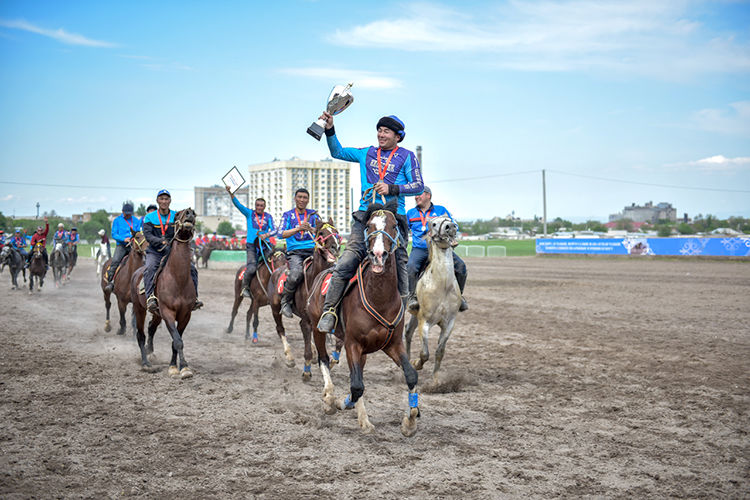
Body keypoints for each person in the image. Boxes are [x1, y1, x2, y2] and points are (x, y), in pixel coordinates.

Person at [316, 113, 423, 333]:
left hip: (394, 219)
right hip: (365, 217)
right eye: (379, 130)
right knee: (346, 262)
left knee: (401, 264)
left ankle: (403, 312)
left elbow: (418, 186)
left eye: (386, 131)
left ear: (398, 136)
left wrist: (392, 188)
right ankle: (329, 311)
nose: (381, 134)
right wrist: (330, 129)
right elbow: (337, 152)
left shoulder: (408, 156)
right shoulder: (367, 153)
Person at [406, 186, 468, 311]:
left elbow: (454, 225)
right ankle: (412, 297)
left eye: (419, 194)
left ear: (428, 195)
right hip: (420, 249)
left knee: (461, 267)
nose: (416, 197)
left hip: (441, 248)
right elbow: (404, 230)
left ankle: (459, 297)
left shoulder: (441, 210)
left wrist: (451, 234)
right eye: (415, 195)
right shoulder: (410, 213)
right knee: (410, 267)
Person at [142, 189, 202, 312]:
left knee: (192, 269)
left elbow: (183, 230)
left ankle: (194, 298)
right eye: (161, 199)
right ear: (157, 201)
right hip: (154, 252)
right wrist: (160, 241)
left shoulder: (176, 216)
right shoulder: (149, 217)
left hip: (171, 252)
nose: (164, 201)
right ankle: (150, 298)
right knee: (150, 268)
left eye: (166, 199)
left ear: (170, 201)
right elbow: (148, 236)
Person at [225, 186, 276, 298]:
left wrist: (267, 235)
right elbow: (238, 205)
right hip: (252, 245)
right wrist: (230, 193)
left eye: (261, 205)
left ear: (264, 207)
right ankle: (245, 287)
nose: (259, 207)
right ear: (255, 206)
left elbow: (275, 230)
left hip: (265, 245)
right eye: (257, 205)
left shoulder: (268, 217)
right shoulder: (249, 213)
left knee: (276, 262)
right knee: (252, 267)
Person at [278, 188, 321, 318]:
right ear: (295, 199)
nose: (302, 200)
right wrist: (298, 229)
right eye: (299, 197)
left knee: (332, 270)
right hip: (295, 252)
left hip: (313, 251)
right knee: (296, 274)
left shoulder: (314, 215)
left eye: (305, 197)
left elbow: (321, 231)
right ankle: (285, 302)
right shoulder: (287, 215)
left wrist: (311, 229)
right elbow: (280, 234)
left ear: (308, 200)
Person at [104, 203, 142, 292]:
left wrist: (132, 239)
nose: (128, 215)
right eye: (126, 213)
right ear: (122, 212)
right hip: (121, 246)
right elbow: (114, 234)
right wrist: (123, 239)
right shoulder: (117, 220)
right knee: (115, 261)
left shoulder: (136, 220)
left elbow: (138, 233)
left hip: (133, 245)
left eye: (129, 213)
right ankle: (110, 282)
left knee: (143, 261)